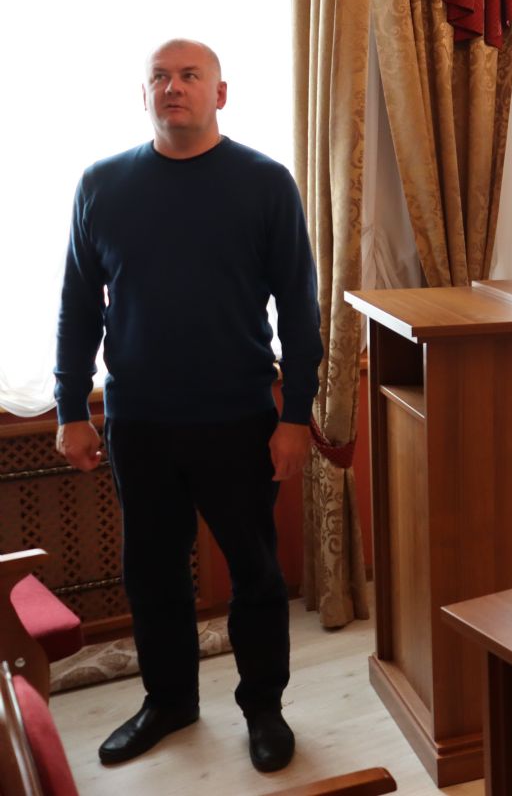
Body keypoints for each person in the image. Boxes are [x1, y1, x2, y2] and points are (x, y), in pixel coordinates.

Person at [53, 39, 319, 772]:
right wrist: (69, 407)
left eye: (190, 76)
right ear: (144, 95)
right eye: (160, 78)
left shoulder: (265, 183)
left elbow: (299, 310)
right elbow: (79, 307)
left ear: (219, 93)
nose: (174, 87)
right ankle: (168, 701)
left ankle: (263, 707)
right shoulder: (102, 184)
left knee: (255, 572)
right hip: (138, 421)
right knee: (152, 571)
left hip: (238, 418)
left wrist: (296, 415)